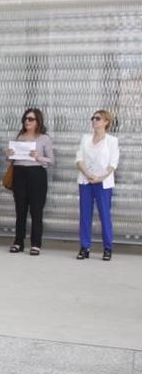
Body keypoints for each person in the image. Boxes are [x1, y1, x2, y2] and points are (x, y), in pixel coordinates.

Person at [6, 108, 54, 256]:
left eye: (31, 119)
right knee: (20, 210)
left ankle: (36, 244)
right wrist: (9, 155)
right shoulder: (19, 137)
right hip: (19, 174)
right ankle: (18, 242)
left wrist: (39, 157)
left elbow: (51, 160)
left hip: (36, 175)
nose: (27, 121)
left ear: (38, 121)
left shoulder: (44, 138)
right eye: (25, 119)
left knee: (36, 211)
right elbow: (11, 160)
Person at [75, 109, 119, 261]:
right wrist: (88, 174)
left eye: (98, 118)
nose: (94, 121)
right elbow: (79, 158)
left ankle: (107, 248)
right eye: (93, 118)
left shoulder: (112, 140)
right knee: (85, 215)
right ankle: (84, 247)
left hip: (103, 183)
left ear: (106, 122)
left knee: (104, 215)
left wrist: (100, 177)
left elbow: (113, 163)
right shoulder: (85, 138)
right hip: (86, 181)